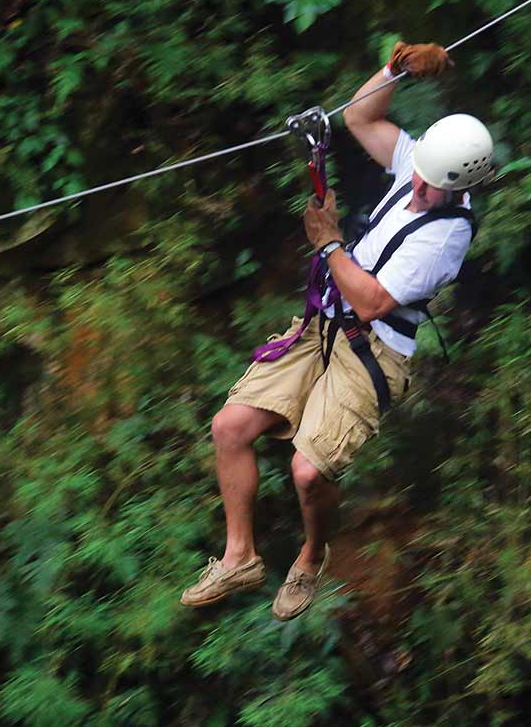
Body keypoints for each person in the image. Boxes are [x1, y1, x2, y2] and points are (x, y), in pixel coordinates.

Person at [180, 40, 495, 620]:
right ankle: (239, 556)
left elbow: (374, 301)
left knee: (308, 470)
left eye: (430, 188)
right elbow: (359, 117)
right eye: (419, 177)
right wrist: (394, 68)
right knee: (229, 428)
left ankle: (312, 552)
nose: (418, 191)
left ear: (458, 186)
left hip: (375, 349)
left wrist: (327, 242)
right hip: (324, 321)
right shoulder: (419, 165)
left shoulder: (446, 236)